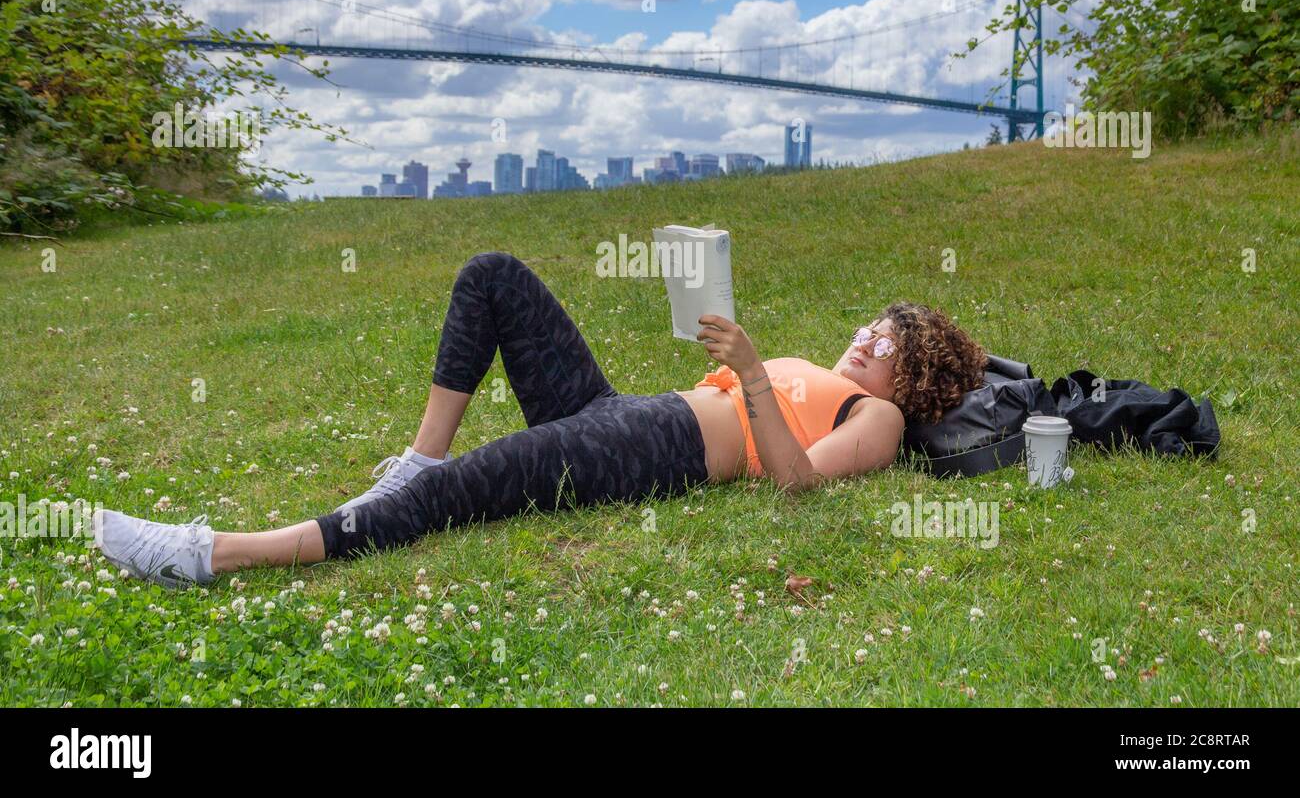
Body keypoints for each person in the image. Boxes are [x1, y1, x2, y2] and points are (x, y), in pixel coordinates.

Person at [94, 252, 987, 588]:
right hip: (625, 414)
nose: (867, 339)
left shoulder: (878, 420)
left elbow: (799, 487)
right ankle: (416, 458)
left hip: (657, 451)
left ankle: (215, 555)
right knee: (494, 276)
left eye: (890, 341)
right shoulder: (828, 374)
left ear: (915, 378)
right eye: (871, 326)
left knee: (472, 491)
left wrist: (752, 373)